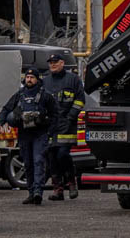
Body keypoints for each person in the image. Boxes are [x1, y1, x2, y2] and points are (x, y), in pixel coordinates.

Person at [0, 67, 57, 205]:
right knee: (28, 163)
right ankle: (31, 192)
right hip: (24, 134)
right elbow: (6, 109)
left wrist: (49, 130)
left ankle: (38, 192)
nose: (29, 80)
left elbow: (55, 115)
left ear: (37, 79)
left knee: (38, 161)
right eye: (27, 77)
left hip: (40, 134)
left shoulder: (45, 95)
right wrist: (0, 123)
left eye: (32, 77)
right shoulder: (20, 94)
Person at [42, 53, 85, 201]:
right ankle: (57, 189)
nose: (52, 64)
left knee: (62, 154)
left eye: (55, 62)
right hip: (50, 126)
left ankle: (71, 182)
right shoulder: (45, 81)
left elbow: (80, 100)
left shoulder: (73, 79)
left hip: (67, 125)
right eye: (50, 62)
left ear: (62, 63)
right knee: (52, 157)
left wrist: (70, 117)